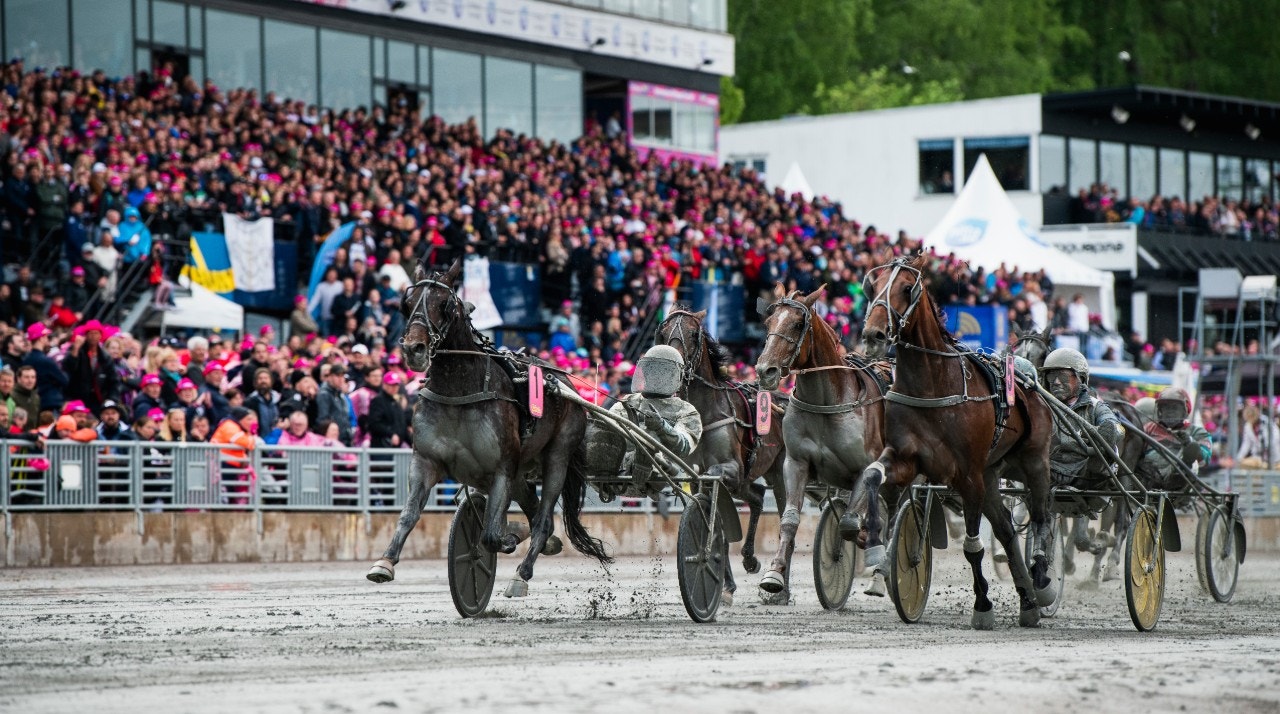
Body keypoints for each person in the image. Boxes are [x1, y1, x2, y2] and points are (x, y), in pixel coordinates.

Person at [608, 345, 703, 481]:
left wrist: (662, 427)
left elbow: (684, 446)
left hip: (664, 478)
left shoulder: (686, 411)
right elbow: (607, 433)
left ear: (676, 376)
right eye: (652, 371)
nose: (656, 376)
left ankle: (645, 457)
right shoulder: (627, 403)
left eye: (663, 372)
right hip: (619, 474)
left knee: (652, 451)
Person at [1137, 387, 1212, 490]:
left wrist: (1189, 442)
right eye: (1166, 407)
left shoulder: (1197, 432)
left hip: (1181, 482)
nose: (1170, 412)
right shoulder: (1148, 429)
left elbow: (1204, 460)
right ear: (1159, 410)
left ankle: (1183, 466)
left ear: (1185, 410)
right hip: (1147, 477)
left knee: (1186, 460)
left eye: (1174, 408)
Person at [366, 372, 409, 449]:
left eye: (396, 385)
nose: (394, 387)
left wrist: (410, 440)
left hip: (396, 447)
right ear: (384, 385)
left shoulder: (395, 402)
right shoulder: (378, 400)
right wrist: (391, 434)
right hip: (382, 446)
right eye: (391, 385)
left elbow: (401, 424)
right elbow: (374, 423)